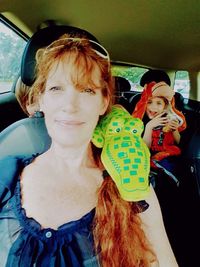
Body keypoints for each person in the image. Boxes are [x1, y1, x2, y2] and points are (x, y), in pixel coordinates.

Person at [0, 34, 178, 267]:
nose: (70, 106)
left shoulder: (132, 184)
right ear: (41, 99)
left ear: (104, 102)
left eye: (86, 90)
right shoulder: (6, 174)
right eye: (56, 88)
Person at [132, 81, 186, 182]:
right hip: (147, 155)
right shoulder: (140, 122)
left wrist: (174, 130)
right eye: (149, 102)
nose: (153, 107)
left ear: (165, 106)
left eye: (158, 103)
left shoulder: (169, 119)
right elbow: (144, 149)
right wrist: (149, 127)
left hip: (167, 155)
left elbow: (178, 142)